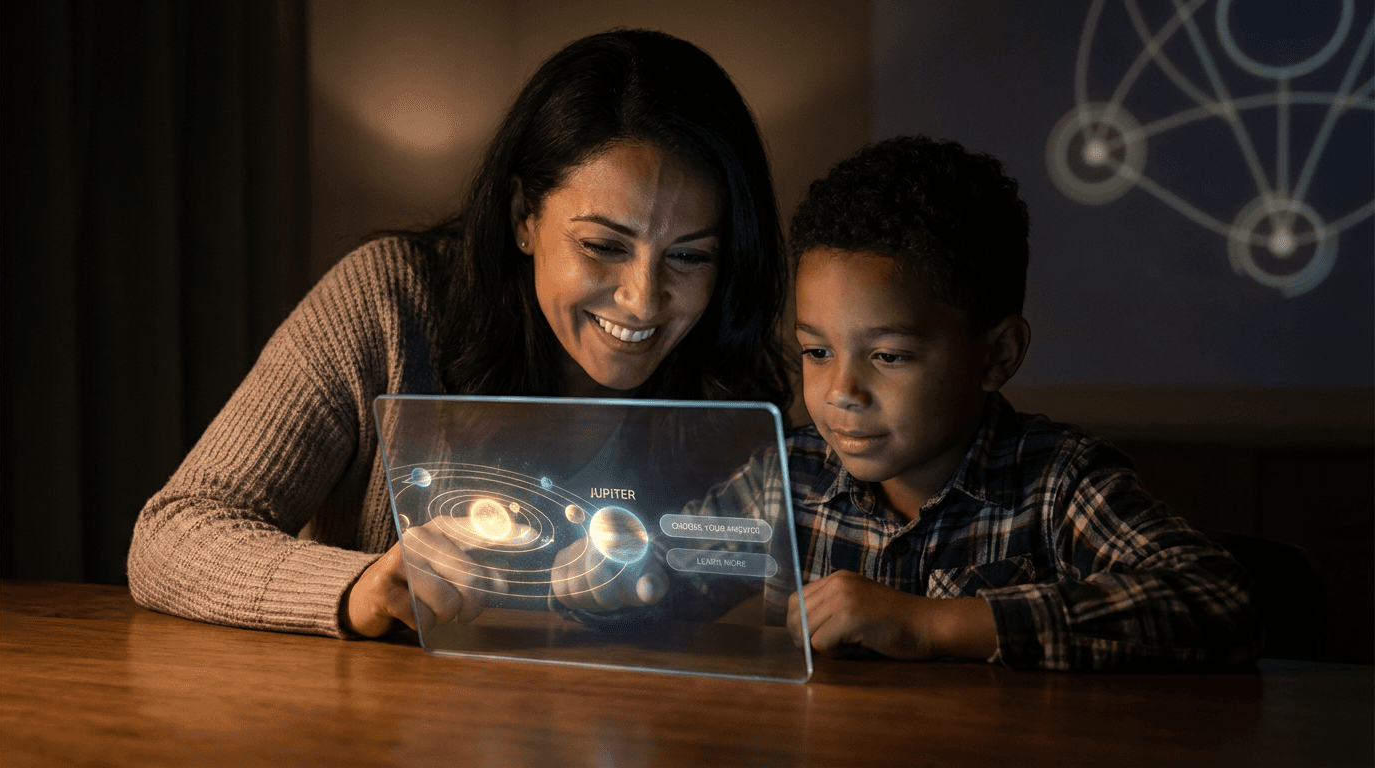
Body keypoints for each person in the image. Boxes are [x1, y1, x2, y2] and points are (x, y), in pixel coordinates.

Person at [126, 29, 792, 640]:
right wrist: (357, 588)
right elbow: (172, 533)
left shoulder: (733, 376)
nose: (644, 299)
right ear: (522, 216)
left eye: (690, 256)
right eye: (602, 246)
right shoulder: (391, 303)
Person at [776, 135, 1262, 670]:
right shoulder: (785, 474)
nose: (841, 391)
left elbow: (1217, 601)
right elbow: (672, 561)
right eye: (817, 351)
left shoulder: (1057, 482)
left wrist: (928, 624)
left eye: (889, 356)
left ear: (997, 356)